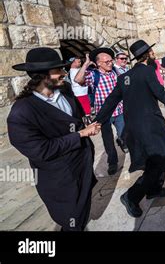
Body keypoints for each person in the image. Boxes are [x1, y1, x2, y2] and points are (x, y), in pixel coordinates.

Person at [95, 40, 165, 217]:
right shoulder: (147, 72)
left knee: (157, 160)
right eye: (151, 52)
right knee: (158, 161)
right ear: (146, 55)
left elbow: (111, 101)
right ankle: (131, 196)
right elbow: (163, 95)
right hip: (149, 127)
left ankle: (154, 190)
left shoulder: (124, 77)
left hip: (135, 129)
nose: (153, 55)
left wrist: (98, 120)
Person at [7, 48, 101, 231]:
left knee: (82, 212)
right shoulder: (22, 113)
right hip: (61, 179)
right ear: (42, 76)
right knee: (72, 221)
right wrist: (80, 134)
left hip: (83, 166)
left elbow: (76, 117)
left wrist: (87, 125)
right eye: (58, 70)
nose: (65, 74)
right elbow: (41, 150)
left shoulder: (65, 90)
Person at [75, 48, 127, 175]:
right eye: (106, 62)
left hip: (119, 111)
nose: (110, 63)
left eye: (111, 60)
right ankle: (113, 162)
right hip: (104, 115)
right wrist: (86, 64)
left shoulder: (115, 71)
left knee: (124, 134)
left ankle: (122, 141)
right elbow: (78, 80)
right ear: (98, 63)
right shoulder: (93, 75)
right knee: (108, 140)